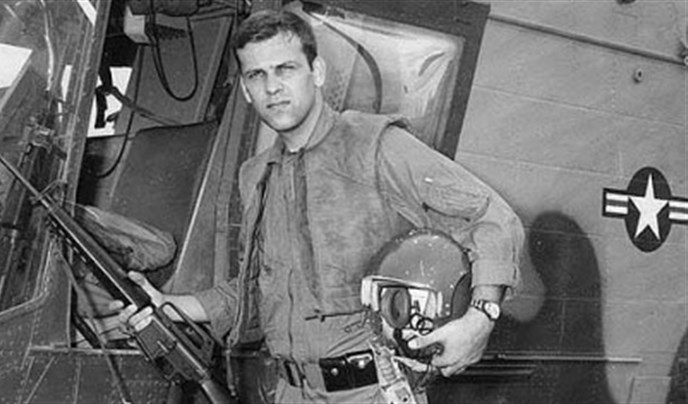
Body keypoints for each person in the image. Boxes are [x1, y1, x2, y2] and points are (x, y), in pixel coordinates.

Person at [114, 8, 524, 403]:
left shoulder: (375, 146)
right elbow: (259, 292)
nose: (272, 87)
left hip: (370, 391)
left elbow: (491, 217)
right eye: (257, 75)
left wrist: (480, 317)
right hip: (290, 391)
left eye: (286, 69)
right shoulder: (257, 175)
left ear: (318, 73)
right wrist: (169, 304)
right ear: (245, 90)